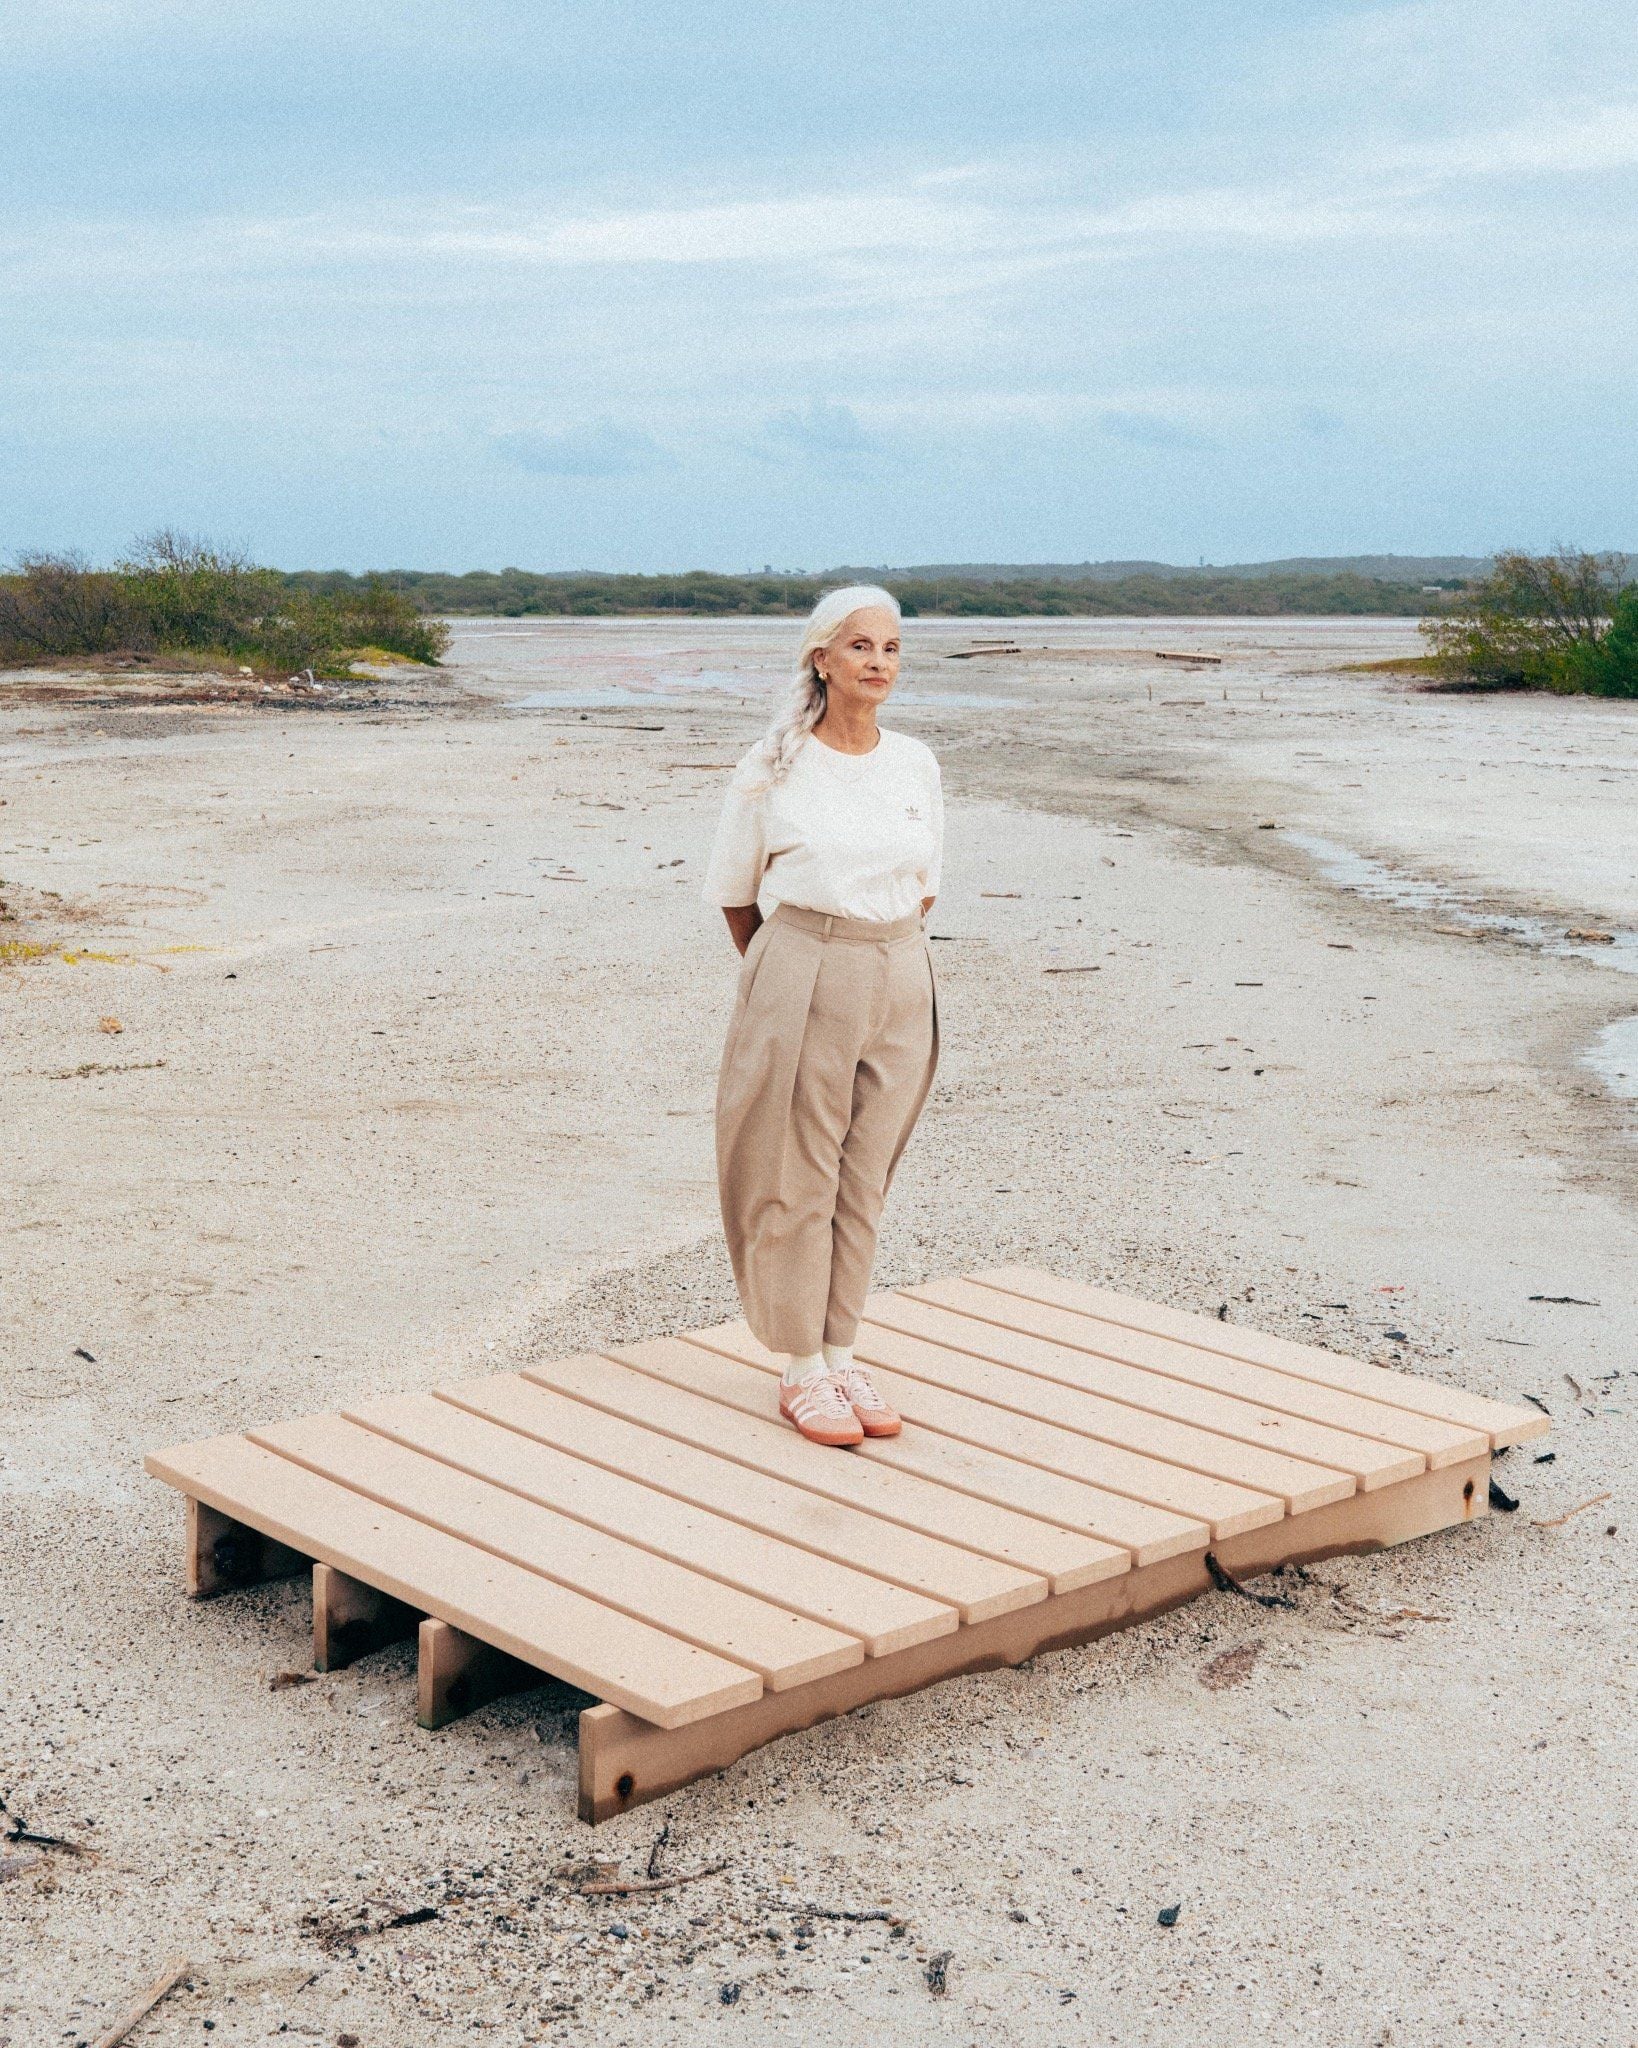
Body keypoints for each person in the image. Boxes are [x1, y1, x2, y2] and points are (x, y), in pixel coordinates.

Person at [703, 585, 942, 1448]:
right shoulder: (774, 765)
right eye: (860, 646)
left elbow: (925, 884)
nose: (879, 662)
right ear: (822, 659)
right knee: (797, 1170)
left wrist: (884, 957)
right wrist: (790, 975)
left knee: (865, 1173)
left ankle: (842, 1351)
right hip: (806, 960)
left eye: (891, 648)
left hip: (902, 966)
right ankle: (800, 1364)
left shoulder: (915, 762)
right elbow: (736, 896)